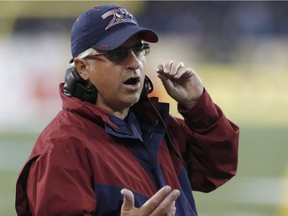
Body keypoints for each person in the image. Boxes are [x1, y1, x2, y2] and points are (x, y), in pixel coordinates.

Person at [15, 4, 239, 216]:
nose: (135, 63)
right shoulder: (62, 147)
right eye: (117, 53)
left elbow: (216, 169)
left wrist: (197, 106)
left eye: (139, 50)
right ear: (83, 67)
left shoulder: (153, 125)